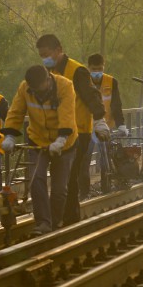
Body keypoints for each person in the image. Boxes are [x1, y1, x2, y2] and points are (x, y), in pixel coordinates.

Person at [36, 34, 110, 225]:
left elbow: (92, 95)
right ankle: (63, 218)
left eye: (47, 54)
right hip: (55, 134)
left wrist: (99, 119)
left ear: (58, 50)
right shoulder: (46, 73)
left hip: (79, 132)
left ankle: (67, 220)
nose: (45, 58)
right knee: (63, 178)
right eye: (41, 55)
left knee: (68, 177)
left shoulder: (77, 71)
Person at [2, 65, 79, 235]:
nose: (35, 90)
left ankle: (54, 221)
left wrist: (61, 139)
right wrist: (9, 135)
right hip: (37, 140)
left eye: (39, 87)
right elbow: (16, 111)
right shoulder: (25, 88)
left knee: (59, 189)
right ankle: (43, 223)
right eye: (33, 88)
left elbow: (67, 115)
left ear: (48, 79)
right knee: (37, 180)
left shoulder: (65, 86)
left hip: (64, 144)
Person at [79, 53, 126, 197]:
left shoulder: (111, 82)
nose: (97, 72)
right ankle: (84, 192)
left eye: (100, 68)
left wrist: (121, 124)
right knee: (84, 161)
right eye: (94, 69)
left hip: (106, 127)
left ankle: (106, 189)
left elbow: (116, 104)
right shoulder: (81, 82)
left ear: (103, 66)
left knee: (105, 159)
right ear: (88, 68)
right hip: (87, 127)